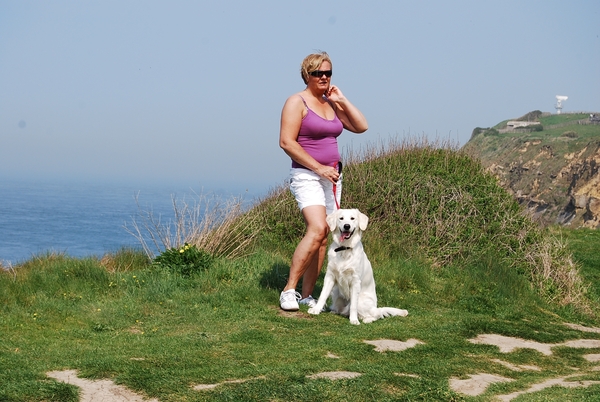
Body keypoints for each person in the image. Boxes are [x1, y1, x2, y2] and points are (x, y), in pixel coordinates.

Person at [279, 51, 368, 311]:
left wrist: (341, 99)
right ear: (307, 75)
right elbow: (286, 142)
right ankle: (289, 290)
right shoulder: (297, 102)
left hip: (332, 176)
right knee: (317, 228)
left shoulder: (331, 103)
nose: (324, 77)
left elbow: (361, 126)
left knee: (328, 234)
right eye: (318, 73)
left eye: (328, 73)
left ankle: (307, 295)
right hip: (307, 173)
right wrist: (318, 168)